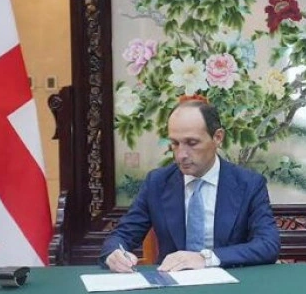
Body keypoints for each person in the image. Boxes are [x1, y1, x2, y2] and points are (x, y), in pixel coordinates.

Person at [102, 99, 280, 272]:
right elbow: (122, 235)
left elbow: (268, 244)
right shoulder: (157, 182)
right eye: (175, 143)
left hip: (230, 282)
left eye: (192, 143)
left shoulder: (249, 184)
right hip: (172, 283)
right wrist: (114, 253)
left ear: (218, 138)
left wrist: (205, 259)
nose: (181, 155)